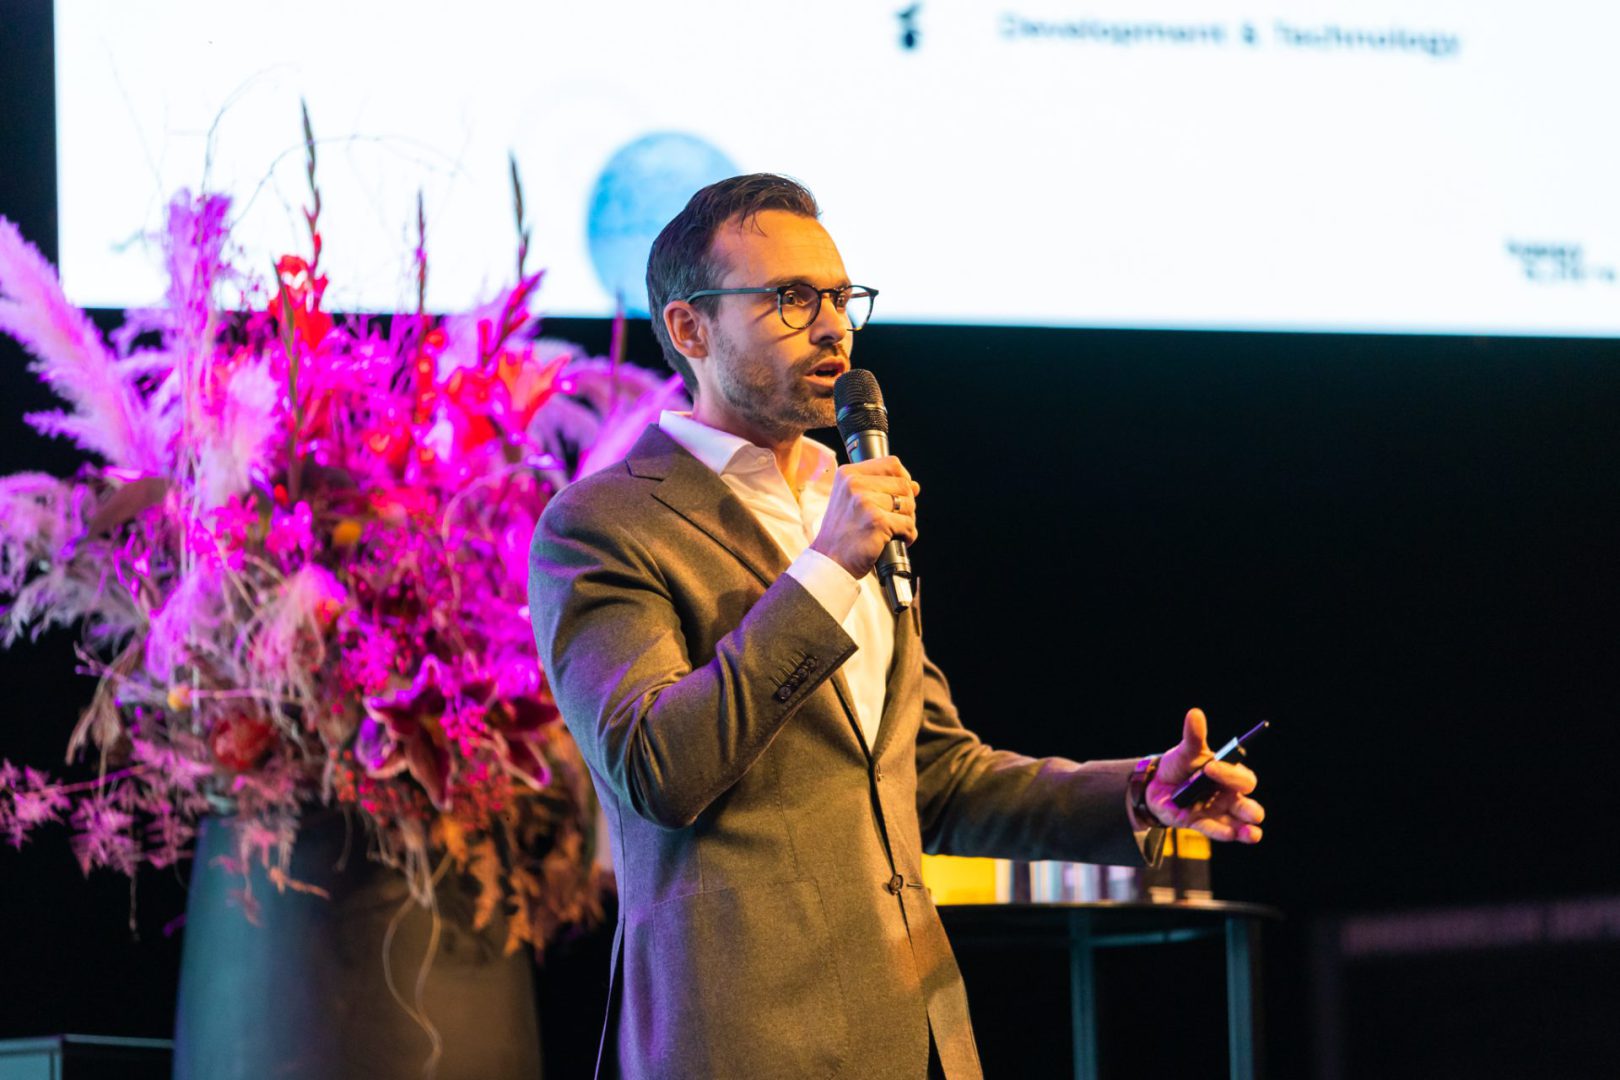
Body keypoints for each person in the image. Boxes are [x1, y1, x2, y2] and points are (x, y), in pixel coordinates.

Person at [527, 174, 1264, 1080]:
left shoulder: (846, 498)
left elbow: (935, 776)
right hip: (742, 1045)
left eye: (841, 298)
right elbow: (655, 770)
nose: (832, 327)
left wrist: (1139, 795)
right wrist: (826, 569)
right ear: (689, 329)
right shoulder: (605, 523)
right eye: (791, 299)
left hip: (915, 1034)